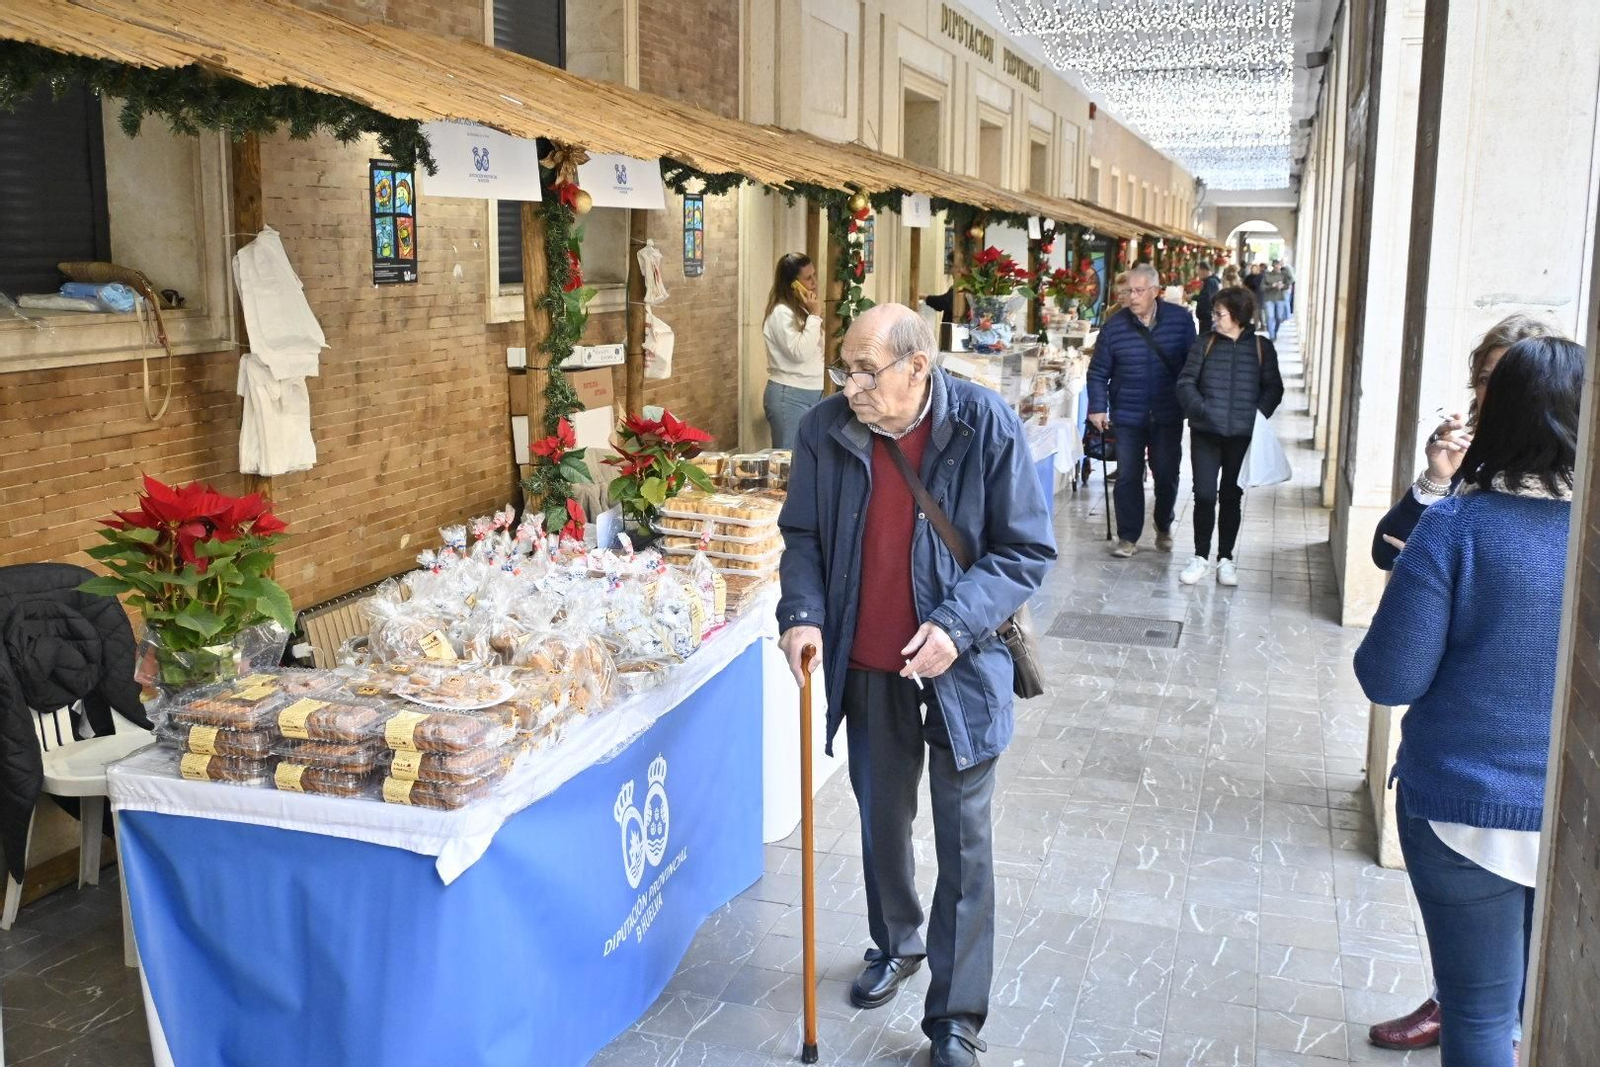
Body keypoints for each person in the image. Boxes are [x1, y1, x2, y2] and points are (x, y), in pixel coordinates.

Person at [776, 304, 1055, 1067]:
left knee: (965, 845)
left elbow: (1025, 549)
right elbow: (801, 534)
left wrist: (955, 625)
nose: (852, 385)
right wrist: (801, 612)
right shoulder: (825, 428)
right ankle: (896, 942)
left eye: (868, 370)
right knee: (881, 823)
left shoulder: (984, 424)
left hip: (962, 669)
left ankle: (956, 1018)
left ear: (917, 366)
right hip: (869, 668)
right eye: (846, 367)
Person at [1354, 335, 1583, 1067]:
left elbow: (1389, 678)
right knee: (1535, 1015)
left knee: (1481, 1017)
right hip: (1574, 815)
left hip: (1463, 811)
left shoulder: (1458, 525)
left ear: (1498, 412)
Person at [1369, 313, 1564, 573]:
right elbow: (1386, 553)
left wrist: (1433, 561)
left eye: (1510, 382)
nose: (1495, 393)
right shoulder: (1473, 457)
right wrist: (1437, 479)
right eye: (1485, 380)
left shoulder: (1567, 476)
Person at [1086, 263, 1198, 557]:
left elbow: (1193, 365)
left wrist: (1194, 401)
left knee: (1166, 472)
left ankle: (1163, 524)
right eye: (1128, 291)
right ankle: (1128, 536)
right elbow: (1098, 371)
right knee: (1128, 475)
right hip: (1127, 413)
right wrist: (1098, 407)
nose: (1132, 297)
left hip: (1167, 411)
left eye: (1138, 291)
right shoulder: (1114, 326)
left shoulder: (1181, 320)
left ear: (1155, 291)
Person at [1174, 286, 1283, 587]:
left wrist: (1255, 415)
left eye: (1219, 313)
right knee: (1205, 495)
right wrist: (1201, 409)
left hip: (1242, 436)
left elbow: (1274, 388)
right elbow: (1185, 382)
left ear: (1237, 315)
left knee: (1232, 497)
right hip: (1206, 433)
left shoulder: (1261, 348)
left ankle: (1226, 558)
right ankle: (1200, 557)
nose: (1215, 318)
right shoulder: (1205, 343)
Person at [762, 252, 825, 449]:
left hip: (813, 390)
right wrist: (815, 316)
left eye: (814, 275)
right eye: (807, 278)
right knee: (788, 460)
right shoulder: (781, 313)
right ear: (792, 283)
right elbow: (799, 353)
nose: (814, 282)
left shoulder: (803, 308)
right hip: (790, 394)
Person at [1259, 260, 1288, 339]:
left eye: (1278, 266)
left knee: (1279, 317)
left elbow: (1287, 285)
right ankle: (1272, 335)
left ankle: (1275, 331)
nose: (1277, 268)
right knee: (1270, 317)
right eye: (1275, 266)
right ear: (1273, 266)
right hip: (1269, 298)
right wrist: (1272, 285)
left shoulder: (1283, 275)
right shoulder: (1267, 275)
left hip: (1280, 298)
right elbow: (1262, 287)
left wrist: (1283, 286)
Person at [1194, 260, 1221, 335]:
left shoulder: (1211, 282)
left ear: (1204, 270)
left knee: (1205, 337)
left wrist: (1193, 297)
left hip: (1207, 317)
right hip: (1206, 316)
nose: (1198, 273)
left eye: (1198, 271)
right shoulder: (1209, 281)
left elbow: (1208, 299)